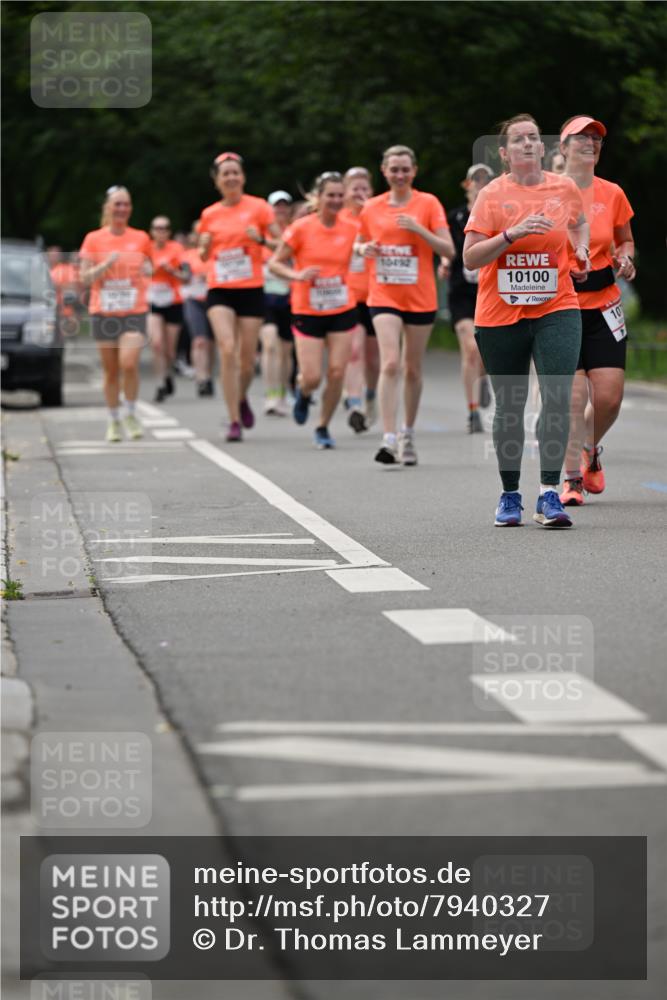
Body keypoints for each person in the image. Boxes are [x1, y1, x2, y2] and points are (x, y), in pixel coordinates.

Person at [463, 114, 590, 527]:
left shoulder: (564, 187)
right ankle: (510, 494)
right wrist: (512, 234)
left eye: (534, 138)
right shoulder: (492, 195)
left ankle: (549, 493)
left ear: (542, 147)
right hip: (500, 314)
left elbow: (580, 223)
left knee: (556, 397)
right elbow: (470, 257)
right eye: (518, 140)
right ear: (504, 153)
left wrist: (581, 251)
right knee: (511, 406)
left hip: (557, 306)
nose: (529, 144)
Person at [357, 145, 455, 465]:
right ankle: (388, 438)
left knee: (412, 369)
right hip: (383, 293)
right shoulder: (371, 207)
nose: (399, 175)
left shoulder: (428, 203)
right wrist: (365, 249)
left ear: (414, 171)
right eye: (393, 169)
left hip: (419, 296)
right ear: (383, 171)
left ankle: (407, 432)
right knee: (389, 363)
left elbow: (449, 249)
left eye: (405, 169)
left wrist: (418, 229)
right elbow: (359, 244)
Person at [557, 115, 636, 506]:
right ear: (563, 147)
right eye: (581, 137)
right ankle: (571, 479)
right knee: (572, 399)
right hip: (561, 307)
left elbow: (625, 240)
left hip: (605, 304)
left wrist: (625, 259)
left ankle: (589, 449)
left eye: (597, 138)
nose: (591, 143)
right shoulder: (544, 192)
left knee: (609, 398)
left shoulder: (613, 193)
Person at [268, 172, 358, 449]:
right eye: (329, 195)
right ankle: (304, 393)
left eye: (339, 195)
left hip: (342, 306)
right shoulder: (301, 228)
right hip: (307, 308)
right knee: (311, 376)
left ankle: (322, 426)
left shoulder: (351, 226)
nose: (335, 200)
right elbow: (274, 264)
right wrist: (296, 276)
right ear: (317, 198)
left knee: (336, 372)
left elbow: (367, 246)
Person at [198, 152, 280, 441]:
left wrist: (259, 240)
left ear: (243, 177)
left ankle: (241, 396)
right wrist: (204, 246)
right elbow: (203, 255)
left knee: (246, 361)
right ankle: (233, 419)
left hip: (251, 288)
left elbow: (280, 244)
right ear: (217, 181)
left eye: (235, 173)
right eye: (225, 174)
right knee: (227, 348)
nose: (231, 178)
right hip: (220, 288)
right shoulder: (209, 214)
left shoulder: (259, 208)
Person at [79, 186, 152, 442]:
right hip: (104, 312)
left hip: (134, 310)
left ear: (130, 208)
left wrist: (148, 269)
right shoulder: (93, 239)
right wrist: (106, 264)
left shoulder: (141, 237)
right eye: (117, 204)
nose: (122, 209)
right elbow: (84, 276)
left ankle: (130, 412)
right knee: (111, 371)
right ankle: (113, 419)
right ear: (108, 208)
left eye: (126, 204)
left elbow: (149, 265)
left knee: (129, 364)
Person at [440, 163, 494, 432]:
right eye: (476, 179)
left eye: (486, 179)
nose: (480, 184)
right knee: (470, 349)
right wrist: (443, 261)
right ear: (467, 185)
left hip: (490, 289)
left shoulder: (497, 215)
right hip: (462, 290)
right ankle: (472, 412)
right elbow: (446, 245)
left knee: (483, 352)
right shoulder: (456, 217)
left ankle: (483, 379)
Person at [340, 166, 380, 433]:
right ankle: (353, 403)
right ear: (344, 192)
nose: (360, 193)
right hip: (348, 295)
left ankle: (370, 395)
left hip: (377, 294)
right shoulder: (338, 218)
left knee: (373, 357)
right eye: (355, 188)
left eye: (365, 188)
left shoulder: (379, 215)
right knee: (354, 350)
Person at [148, 216, 189, 402]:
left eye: (165, 228)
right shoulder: (146, 248)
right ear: (152, 231)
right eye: (157, 228)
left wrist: (171, 270)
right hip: (153, 300)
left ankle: (168, 374)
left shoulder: (177, 249)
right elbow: (138, 271)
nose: (161, 231)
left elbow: (186, 276)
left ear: (169, 232)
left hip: (174, 300)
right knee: (157, 344)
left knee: (170, 350)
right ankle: (160, 383)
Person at [261, 190, 294, 416]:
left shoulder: (295, 231)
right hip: (265, 294)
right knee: (270, 343)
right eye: (276, 206)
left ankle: (283, 392)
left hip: (291, 295)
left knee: (285, 350)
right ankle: (271, 395)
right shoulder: (260, 233)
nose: (280, 210)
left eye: (284, 206)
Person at [181, 224, 215, 396]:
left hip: (213, 299)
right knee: (199, 340)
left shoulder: (215, 253)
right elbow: (185, 277)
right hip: (194, 300)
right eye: (197, 233)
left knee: (210, 343)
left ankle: (208, 375)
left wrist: (209, 276)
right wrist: (193, 277)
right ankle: (201, 378)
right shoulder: (187, 255)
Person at [47, 246, 84, 338]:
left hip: (64, 303)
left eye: (57, 255)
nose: (54, 257)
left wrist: (55, 285)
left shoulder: (65, 268)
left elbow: (73, 285)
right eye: (52, 255)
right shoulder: (44, 269)